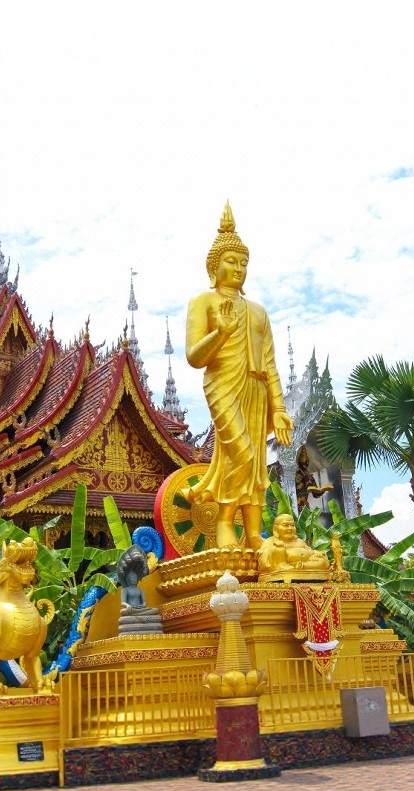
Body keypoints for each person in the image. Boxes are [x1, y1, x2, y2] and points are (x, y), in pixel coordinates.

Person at [184, 202, 293, 550]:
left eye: (244, 263)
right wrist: (222, 333)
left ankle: (253, 535)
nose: (238, 269)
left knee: (257, 463)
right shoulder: (203, 302)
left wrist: (279, 407)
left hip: (256, 388)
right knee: (242, 452)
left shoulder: (259, 312)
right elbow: (194, 357)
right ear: (214, 266)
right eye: (231, 261)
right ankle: (224, 522)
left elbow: (271, 364)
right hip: (223, 385)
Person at [258, 513, 330, 575]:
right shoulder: (270, 541)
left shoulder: (300, 541)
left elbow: (310, 551)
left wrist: (316, 553)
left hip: (306, 565)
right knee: (277, 548)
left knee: (323, 562)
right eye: (286, 525)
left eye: (292, 525)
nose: (290, 528)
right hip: (284, 567)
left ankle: (302, 566)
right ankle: (286, 566)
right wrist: (276, 550)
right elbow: (263, 559)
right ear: (276, 529)